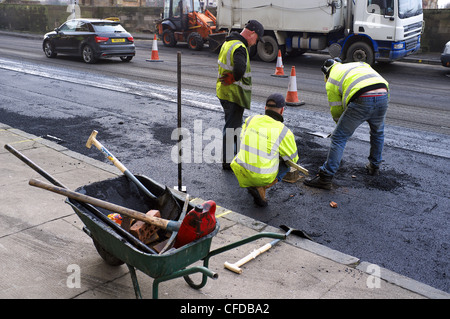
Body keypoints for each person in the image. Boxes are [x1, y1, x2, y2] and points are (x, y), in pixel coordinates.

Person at [304, 59, 389, 190]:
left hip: (362, 97)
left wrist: (339, 125)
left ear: (326, 73)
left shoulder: (331, 80)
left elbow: (336, 109)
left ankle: (325, 177)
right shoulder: (356, 65)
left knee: (339, 137)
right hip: (383, 92)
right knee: (377, 132)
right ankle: (374, 167)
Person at [231, 93, 299, 207]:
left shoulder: (250, 119)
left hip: (239, 168)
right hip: (261, 176)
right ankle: (261, 187)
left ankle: (251, 183)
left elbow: (243, 138)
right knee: (286, 165)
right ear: (282, 110)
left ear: (265, 108)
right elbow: (293, 159)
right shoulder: (284, 131)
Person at [216, 20, 265, 170]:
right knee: (232, 128)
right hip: (233, 95)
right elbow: (239, 69)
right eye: (256, 39)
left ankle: (231, 157)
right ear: (252, 33)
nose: (255, 43)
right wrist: (235, 77)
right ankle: (229, 161)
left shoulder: (229, 42)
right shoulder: (240, 47)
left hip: (224, 92)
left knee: (231, 126)